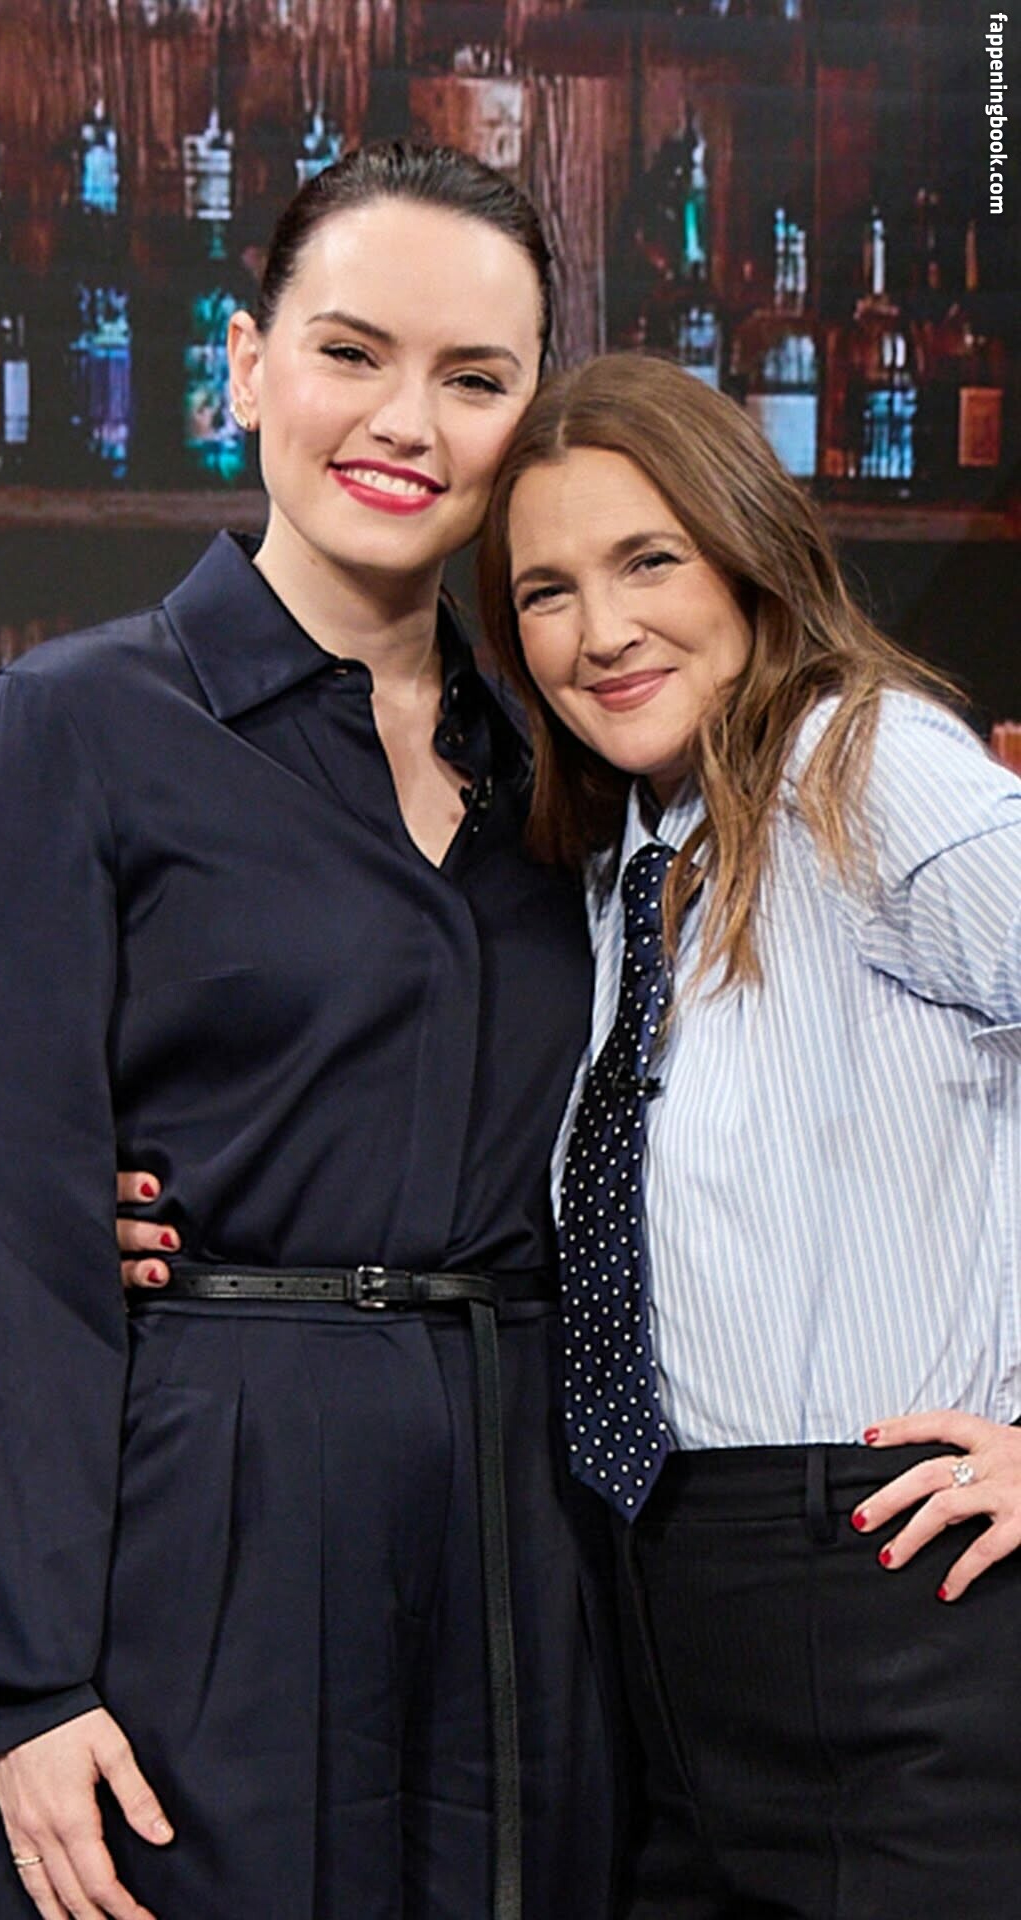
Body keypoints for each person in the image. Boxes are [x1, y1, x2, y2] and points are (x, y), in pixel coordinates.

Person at [0, 144, 619, 1920]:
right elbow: (6, 1234)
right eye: (351, 352)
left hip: (528, 1548)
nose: (407, 421)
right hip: (205, 1534)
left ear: (528, 420)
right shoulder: (71, 727)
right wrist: (27, 1682)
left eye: (474, 378)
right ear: (247, 367)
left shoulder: (569, 769)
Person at [471, 350, 1021, 1919]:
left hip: (896, 1605)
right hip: (664, 1617)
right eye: (547, 590)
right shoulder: (631, 856)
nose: (601, 630)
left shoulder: (871, 769)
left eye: (649, 559)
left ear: (747, 552)